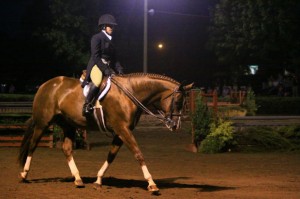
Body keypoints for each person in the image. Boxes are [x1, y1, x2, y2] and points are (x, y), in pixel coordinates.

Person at [82, 14, 123, 116]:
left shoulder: (112, 40)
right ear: (104, 27)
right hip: (97, 65)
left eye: (113, 26)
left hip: (108, 66)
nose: (112, 28)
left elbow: (115, 58)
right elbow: (95, 56)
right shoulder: (96, 38)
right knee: (97, 81)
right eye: (110, 26)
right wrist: (104, 69)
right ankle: (87, 104)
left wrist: (119, 69)